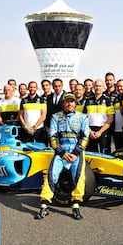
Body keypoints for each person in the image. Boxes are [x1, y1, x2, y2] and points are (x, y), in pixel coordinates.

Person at [36, 92, 90, 220]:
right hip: (61, 151)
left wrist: (75, 153)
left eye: (72, 101)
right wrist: (62, 152)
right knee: (51, 174)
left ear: (75, 103)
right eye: (67, 101)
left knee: (79, 176)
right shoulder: (56, 117)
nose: (69, 103)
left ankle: (76, 205)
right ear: (63, 103)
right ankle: (44, 205)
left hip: (76, 151)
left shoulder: (83, 117)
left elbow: (85, 137)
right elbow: (53, 137)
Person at [83, 79, 114, 154]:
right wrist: (90, 132)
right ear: (93, 87)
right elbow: (84, 118)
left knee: (105, 154)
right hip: (91, 131)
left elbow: (111, 118)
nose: (98, 88)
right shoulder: (88, 100)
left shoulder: (107, 100)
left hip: (103, 130)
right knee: (91, 154)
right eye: (96, 86)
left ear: (103, 87)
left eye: (100, 86)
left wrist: (100, 132)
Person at [113, 79, 123, 149]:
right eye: (117, 87)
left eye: (121, 86)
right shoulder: (115, 99)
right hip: (117, 130)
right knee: (118, 152)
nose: (119, 88)